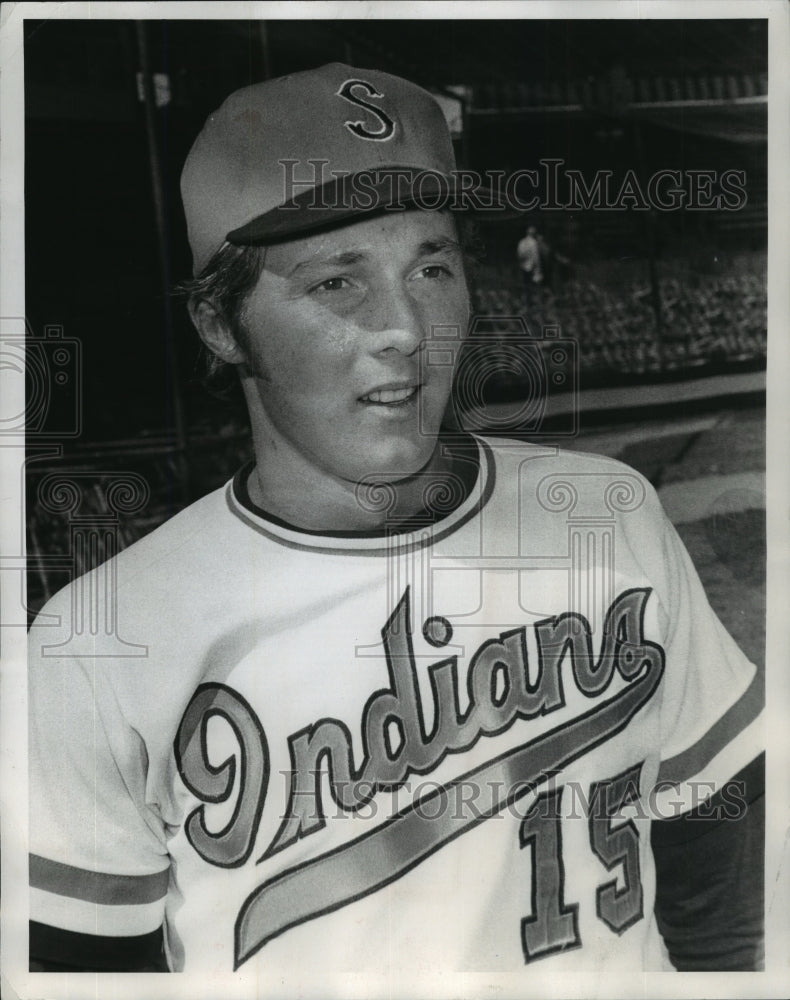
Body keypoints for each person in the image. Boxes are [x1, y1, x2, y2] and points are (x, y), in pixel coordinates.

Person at [28, 62, 763, 987]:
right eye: (338, 282)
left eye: (432, 265)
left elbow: (716, 826)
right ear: (220, 322)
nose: (407, 327)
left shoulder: (608, 514)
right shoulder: (94, 651)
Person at [516, 223, 543, 306]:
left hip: (523, 267)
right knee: (533, 286)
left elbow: (519, 254)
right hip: (531, 267)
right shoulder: (533, 243)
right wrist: (538, 268)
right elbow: (535, 257)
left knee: (526, 285)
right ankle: (532, 302)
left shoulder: (522, 242)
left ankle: (527, 301)